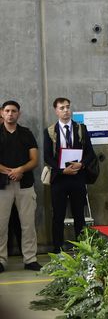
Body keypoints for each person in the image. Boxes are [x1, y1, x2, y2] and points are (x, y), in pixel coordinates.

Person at [44, 97, 97, 253]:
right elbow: (47, 157)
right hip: (59, 178)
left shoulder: (81, 128)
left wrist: (82, 164)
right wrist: (61, 171)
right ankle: (57, 249)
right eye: (62, 108)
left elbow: (90, 153)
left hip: (77, 177)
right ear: (56, 111)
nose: (66, 110)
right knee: (58, 215)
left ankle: (82, 248)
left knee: (79, 214)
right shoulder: (50, 131)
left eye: (67, 107)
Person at [0, 100, 41, 272]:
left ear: (19, 114)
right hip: (2, 186)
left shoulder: (26, 134)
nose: (10, 114)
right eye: (7, 110)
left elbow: (34, 159)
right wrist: (8, 171)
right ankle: (1, 260)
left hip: (25, 184)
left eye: (14, 111)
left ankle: (30, 259)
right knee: (0, 225)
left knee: (28, 224)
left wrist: (20, 170)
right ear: (2, 113)